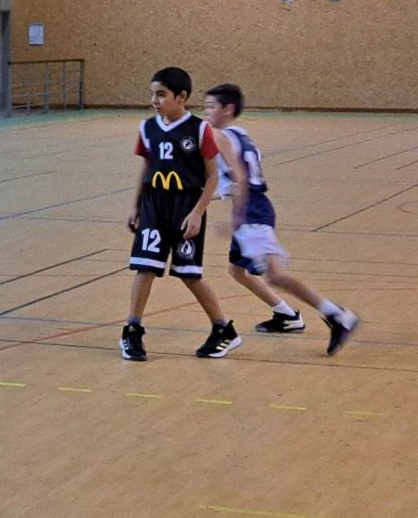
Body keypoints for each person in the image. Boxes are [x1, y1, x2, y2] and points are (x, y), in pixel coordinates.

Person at [204, 83, 359, 355]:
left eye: (210, 107)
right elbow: (241, 177)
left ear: (227, 109)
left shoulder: (219, 136)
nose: (206, 113)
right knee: (237, 270)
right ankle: (287, 315)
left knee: (276, 274)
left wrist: (236, 219)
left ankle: (337, 315)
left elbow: (241, 179)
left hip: (251, 210)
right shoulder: (242, 135)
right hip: (256, 206)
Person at [121, 66, 239, 361]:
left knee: (189, 274)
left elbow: (212, 177)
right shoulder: (147, 128)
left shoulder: (199, 129)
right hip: (153, 204)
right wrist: (136, 206)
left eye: (161, 94)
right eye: (152, 94)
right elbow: (146, 169)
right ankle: (132, 330)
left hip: (186, 206)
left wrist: (198, 212)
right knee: (145, 267)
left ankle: (222, 329)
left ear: (181, 97)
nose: (155, 100)